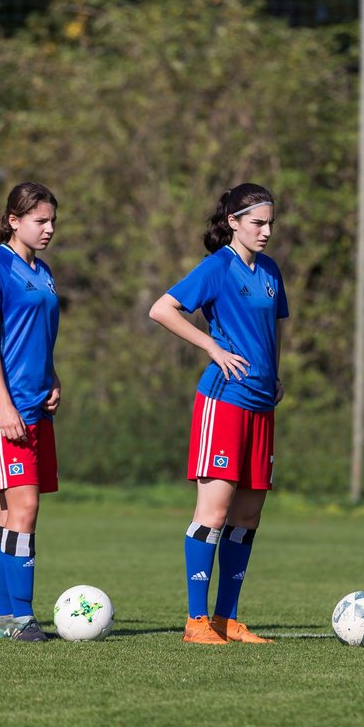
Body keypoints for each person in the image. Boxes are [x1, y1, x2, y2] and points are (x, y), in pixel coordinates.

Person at [148, 183, 287, 644]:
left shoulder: (269, 271)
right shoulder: (217, 268)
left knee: (248, 517)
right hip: (223, 402)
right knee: (214, 511)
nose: (266, 231)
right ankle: (196, 622)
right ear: (233, 222)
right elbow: (162, 309)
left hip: (261, 405)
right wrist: (211, 346)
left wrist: (275, 375)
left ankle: (227, 619)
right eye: (257, 223)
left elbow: (273, 331)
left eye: (270, 223)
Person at [0, 182, 62, 642]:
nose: (47, 229)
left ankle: (0, 617)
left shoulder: (43, 272)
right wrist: (5, 405)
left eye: (51, 221)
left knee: (10, 512)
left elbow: (37, 336)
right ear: (13, 221)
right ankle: (22, 617)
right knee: (24, 508)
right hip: (5, 409)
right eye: (39, 221)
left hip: (35, 405)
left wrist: (53, 378)